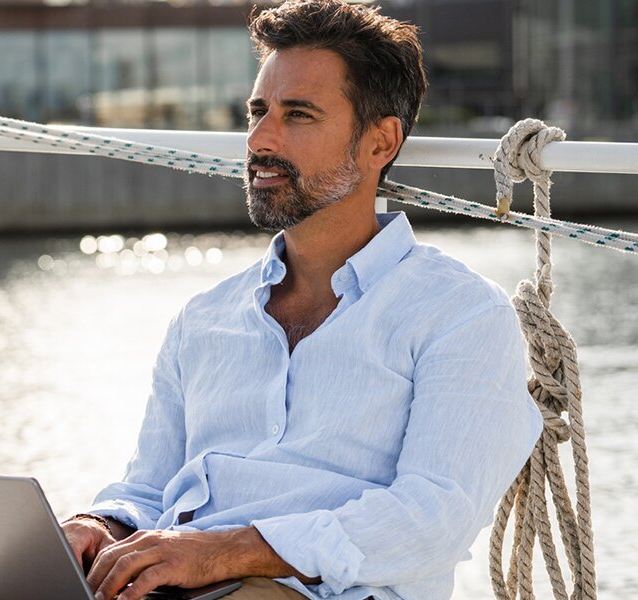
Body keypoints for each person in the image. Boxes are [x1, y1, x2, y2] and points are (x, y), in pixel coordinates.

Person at [61, 2, 543, 599]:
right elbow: (148, 492)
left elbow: (431, 519)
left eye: (299, 115)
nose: (260, 140)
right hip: (178, 583)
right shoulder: (202, 320)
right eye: (258, 111)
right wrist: (98, 526)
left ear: (379, 143)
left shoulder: (461, 316)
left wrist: (227, 552)